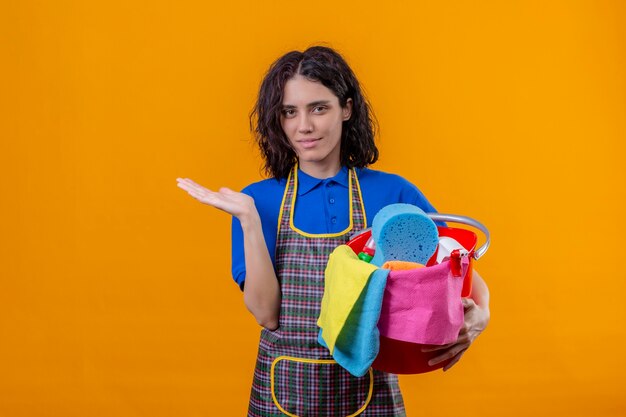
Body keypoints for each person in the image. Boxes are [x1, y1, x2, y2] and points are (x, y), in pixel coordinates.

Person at [176, 45, 490, 416]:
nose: (303, 126)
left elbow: (455, 268)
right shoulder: (257, 201)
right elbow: (266, 314)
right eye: (290, 112)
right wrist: (247, 218)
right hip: (284, 392)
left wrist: (482, 313)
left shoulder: (393, 194)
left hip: (369, 391)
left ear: (346, 108)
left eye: (318, 108)